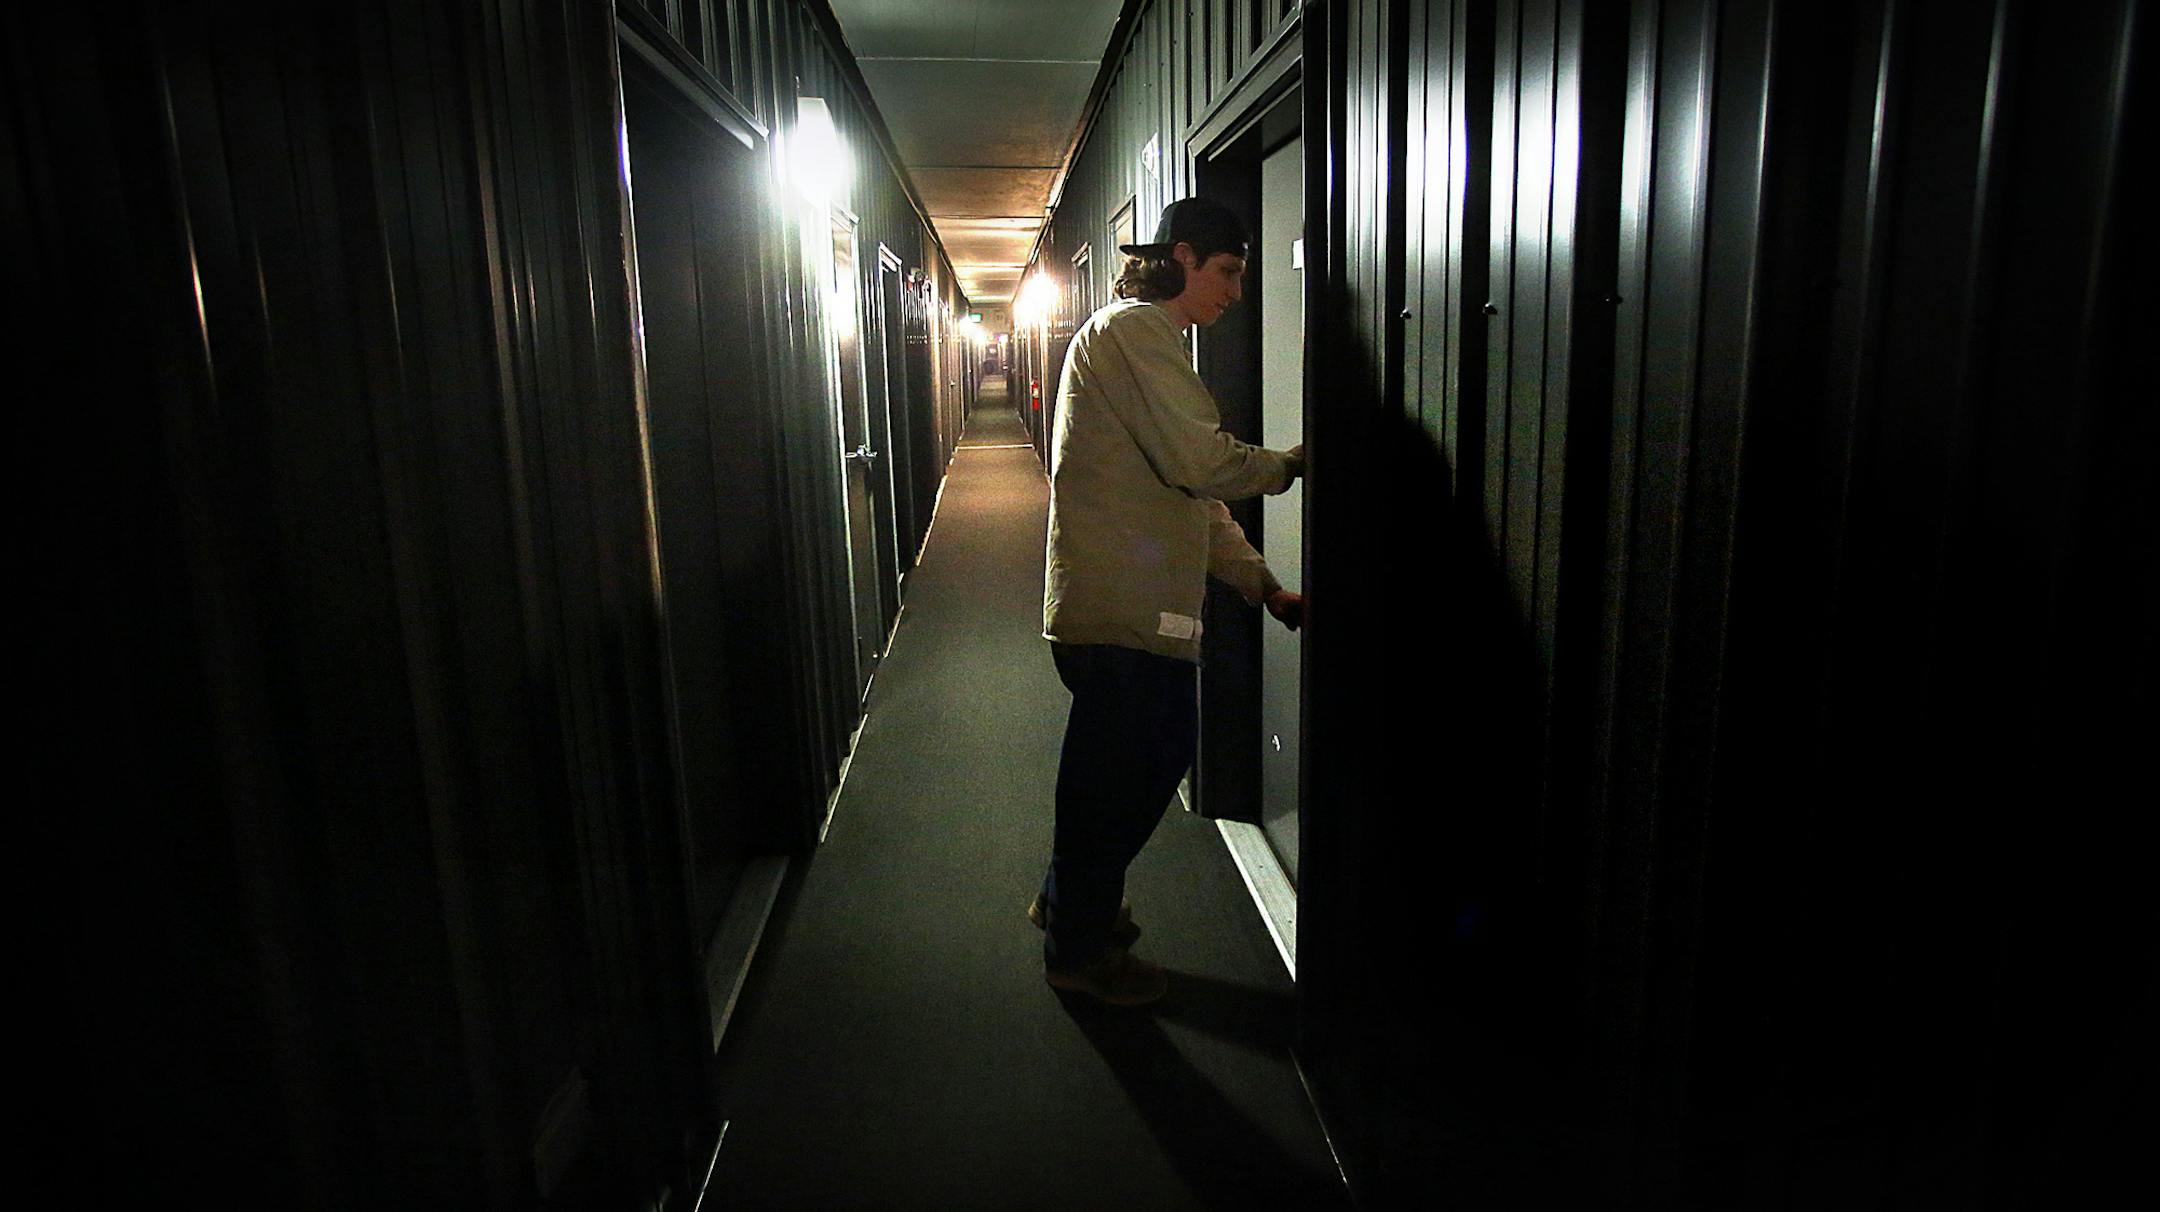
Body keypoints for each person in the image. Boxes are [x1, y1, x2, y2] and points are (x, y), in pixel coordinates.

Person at [1030, 196, 1305, 1006]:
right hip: (1122, 617)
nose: (1235, 292)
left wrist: (1263, 585)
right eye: (1227, 272)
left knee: (1113, 776)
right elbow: (1204, 464)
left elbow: (1194, 501)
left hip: (1124, 612)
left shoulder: (1140, 343)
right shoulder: (1135, 332)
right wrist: (1288, 465)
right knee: (1125, 775)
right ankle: (1077, 948)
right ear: (1181, 258)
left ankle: (1069, 907)